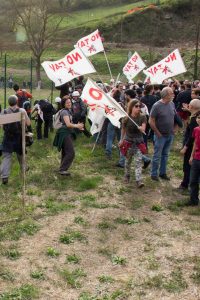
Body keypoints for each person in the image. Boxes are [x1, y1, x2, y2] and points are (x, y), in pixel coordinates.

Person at [0, 95, 31, 184]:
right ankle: (24, 169)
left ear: (9, 102)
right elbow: (28, 123)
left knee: (7, 157)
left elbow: (1, 125)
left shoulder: (4, 111)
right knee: (21, 155)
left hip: (7, 137)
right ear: (17, 102)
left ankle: (5, 176)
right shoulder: (22, 111)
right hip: (19, 137)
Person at [149, 87, 175, 181]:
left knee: (165, 155)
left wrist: (174, 129)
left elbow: (174, 116)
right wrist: (157, 132)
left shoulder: (172, 104)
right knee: (157, 155)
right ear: (166, 95)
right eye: (171, 93)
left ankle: (162, 173)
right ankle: (154, 174)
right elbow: (151, 121)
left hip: (170, 134)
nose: (173, 94)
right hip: (160, 135)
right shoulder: (157, 105)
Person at [119, 99, 147, 188]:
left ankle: (139, 180)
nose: (139, 108)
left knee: (138, 162)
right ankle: (127, 176)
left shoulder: (143, 117)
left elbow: (144, 129)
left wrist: (141, 129)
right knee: (128, 162)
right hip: (128, 143)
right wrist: (121, 140)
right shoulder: (126, 118)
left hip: (138, 143)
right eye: (136, 106)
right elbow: (123, 130)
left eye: (140, 106)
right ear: (131, 107)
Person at [53, 97, 84, 175]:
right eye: (67, 103)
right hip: (64, 133)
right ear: (63, 104)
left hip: (66, 133)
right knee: (71, 152)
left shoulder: (68, 111)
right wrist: (77, 126)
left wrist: (78, 126)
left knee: (65, 152)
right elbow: (68, 124)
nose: (69, 104)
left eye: (70, 102)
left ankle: (62, 168)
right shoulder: (65, 112)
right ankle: (63, 169)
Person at [179, 99, 200, 190]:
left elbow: (192, 136)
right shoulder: (196, 116)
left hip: (191, 146)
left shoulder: (194, 120)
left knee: (187, 165)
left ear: (191, 107)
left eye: (189, 105)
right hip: (193, 146)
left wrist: (185, 147)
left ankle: (185, 184)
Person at [188, 112, 200, 206]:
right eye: (198, 117)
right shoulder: (196, 129)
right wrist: (192, 156)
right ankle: (193, 200)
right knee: (193, 180)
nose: (199, 119)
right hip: (196, 158)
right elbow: (195, 143)